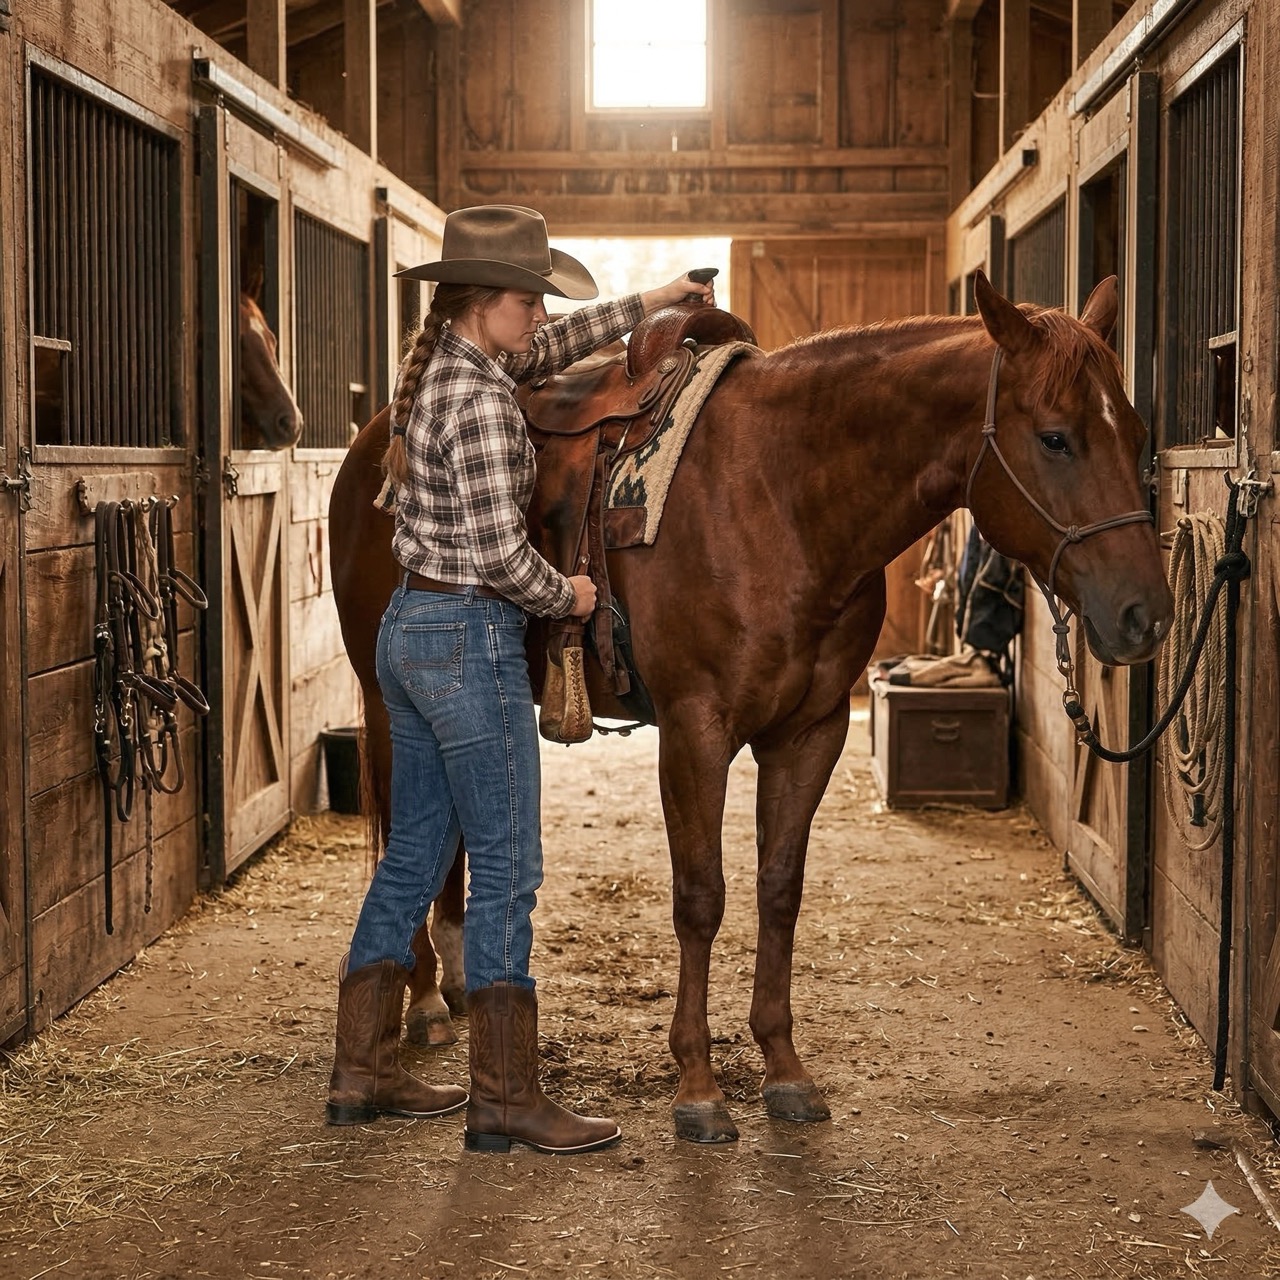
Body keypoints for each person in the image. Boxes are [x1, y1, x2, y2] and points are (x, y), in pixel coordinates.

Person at [327, 204, 714, 1153]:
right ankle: (506, 1096)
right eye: (528, 302)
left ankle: (362, 1069)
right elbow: (503, 558)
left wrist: (653, 300)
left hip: (410, 635)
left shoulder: (451, 372)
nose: (541, 318)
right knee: (507, 866)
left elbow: (557, 346)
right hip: (470, 639)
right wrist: (571, 595)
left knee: (415, 853)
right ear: (485, 303)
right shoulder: (488, 406)